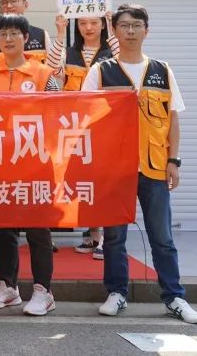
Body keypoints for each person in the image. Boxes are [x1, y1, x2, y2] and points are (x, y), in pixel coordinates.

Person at [83, 4, 197, 324]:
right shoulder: (100, 71)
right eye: (124, 25)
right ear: (114, 30)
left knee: (162, 237)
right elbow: (84, 117)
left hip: (154, 166)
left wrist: (174, 161)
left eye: (137, 25)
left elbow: (173, 120)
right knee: (114, 237)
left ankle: (175, 297)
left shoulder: (162, 70)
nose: (131, 31)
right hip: (114, 169)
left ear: (146, 30)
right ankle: (116, 292)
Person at [0, 13, 60, 316]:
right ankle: (8, 287)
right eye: (3, 34)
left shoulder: (43, 74)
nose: (8, 39)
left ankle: (43, 291)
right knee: (2, 229)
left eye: (14, 33)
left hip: (36, 161)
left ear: (26, 38)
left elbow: (58, 113)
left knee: (38, 230)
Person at [48, 13, 119, 259]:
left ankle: (107, 238)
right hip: (75, 127)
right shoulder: (69, 53)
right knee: (84, 181)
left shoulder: (111, 53)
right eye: (83, 23)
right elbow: (52, 68)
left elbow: (123, 62)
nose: (88, 27)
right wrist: (59, 32)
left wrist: (112, 29)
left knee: (105, 182)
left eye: (94, 22)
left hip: (105, 125)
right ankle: (92, 234)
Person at [0, 0, 50, 65]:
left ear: (26, 5)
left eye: (13, 1)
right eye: (4, 2)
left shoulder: (41, 35)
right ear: (0, 8)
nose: (9, 6)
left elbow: (52, 67)